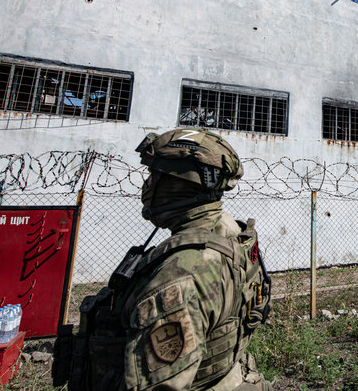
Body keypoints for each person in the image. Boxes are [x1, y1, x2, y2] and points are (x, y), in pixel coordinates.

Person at [53, 128, 272, 390]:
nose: (147, 186)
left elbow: (162, 384)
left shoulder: (182, 273)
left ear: (180, 183)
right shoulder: (232, 234)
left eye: (154, 176)